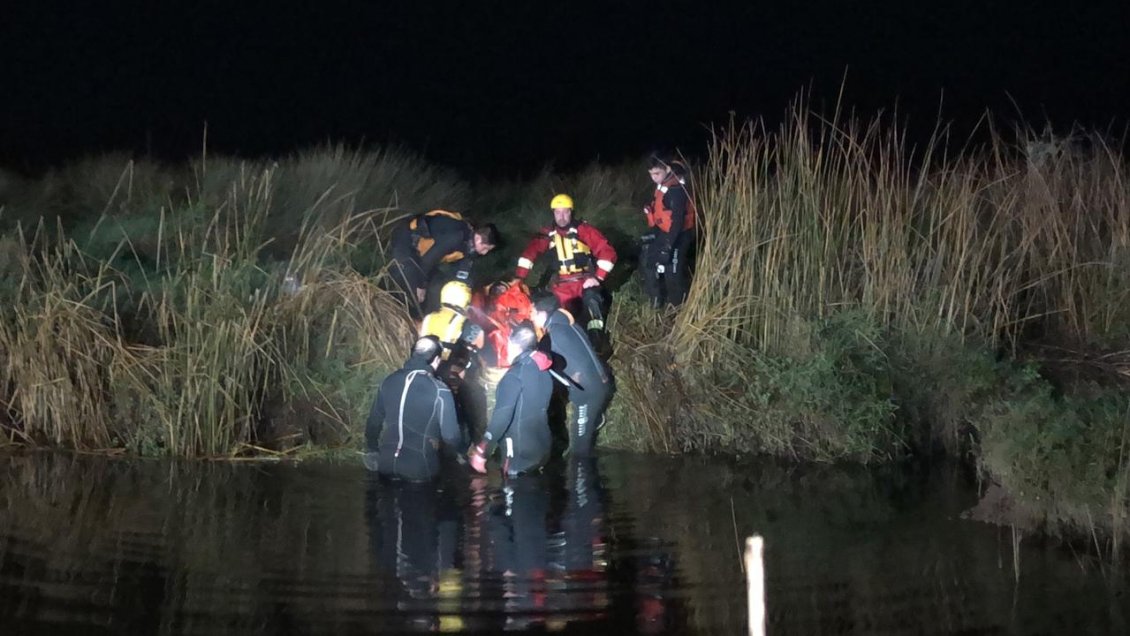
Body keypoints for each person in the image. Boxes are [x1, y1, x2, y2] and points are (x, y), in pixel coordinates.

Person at [514, 194, 617, 345]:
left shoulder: (584, 230)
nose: (561, 217)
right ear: (553, 213)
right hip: (561, 285)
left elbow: (608, 253)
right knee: (540, 308)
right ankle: (545, 342)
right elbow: (529, 254)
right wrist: (519, 277)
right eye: (557, 212)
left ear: (571, 212)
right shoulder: (547, 234)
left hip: (583, 282)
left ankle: (596, 339)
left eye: (565, 212)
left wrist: (597, 278)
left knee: (592, 300)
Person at [364, 336, 467, 481]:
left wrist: (372, 449)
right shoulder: (440, 390)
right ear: (437, 360)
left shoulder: (389, 381)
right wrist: (462, 451)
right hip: (419, 468)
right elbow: (450, 436)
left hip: (386, 464)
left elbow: (373, 423)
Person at [531, 292, 613, 457]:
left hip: (588, 393)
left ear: (542, 313)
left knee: (579, 449)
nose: (530, 317)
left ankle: (582, 479)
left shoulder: (554, 334)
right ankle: (594, 419)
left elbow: (541, 364)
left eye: (532, 312)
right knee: (582, 438)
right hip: (598, 384)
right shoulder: (568, 325)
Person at [467, 322, 554, 477]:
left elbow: (501, 418)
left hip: (519, 456)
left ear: (513, 345)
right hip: (543, 448)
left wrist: (482, 451)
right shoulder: (544, 370)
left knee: (515, 496)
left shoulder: (513, 377)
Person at [389, 209, 499, 318]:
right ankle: (392, 310)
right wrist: (421, 286)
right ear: (478, 239)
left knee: (437, 284)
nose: (485, 253)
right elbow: (429, 259)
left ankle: (425, 319)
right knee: (409, 280)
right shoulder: (457, 236)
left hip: (421, 255)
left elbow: (462, 277)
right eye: (485, 248)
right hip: (406, 239)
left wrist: (468, 300)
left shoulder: (469, 249)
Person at [641, 155, 696, 308]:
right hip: (664, 231)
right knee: (650, 263)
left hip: (679, 235)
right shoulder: (662, 185)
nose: (654, 178)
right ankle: (656, 301)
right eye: (651, 174)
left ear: (667, 169)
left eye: (657, 174)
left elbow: (677, 222)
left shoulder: (676, 190)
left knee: (673, 271)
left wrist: (667, 248)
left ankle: (678, 307)